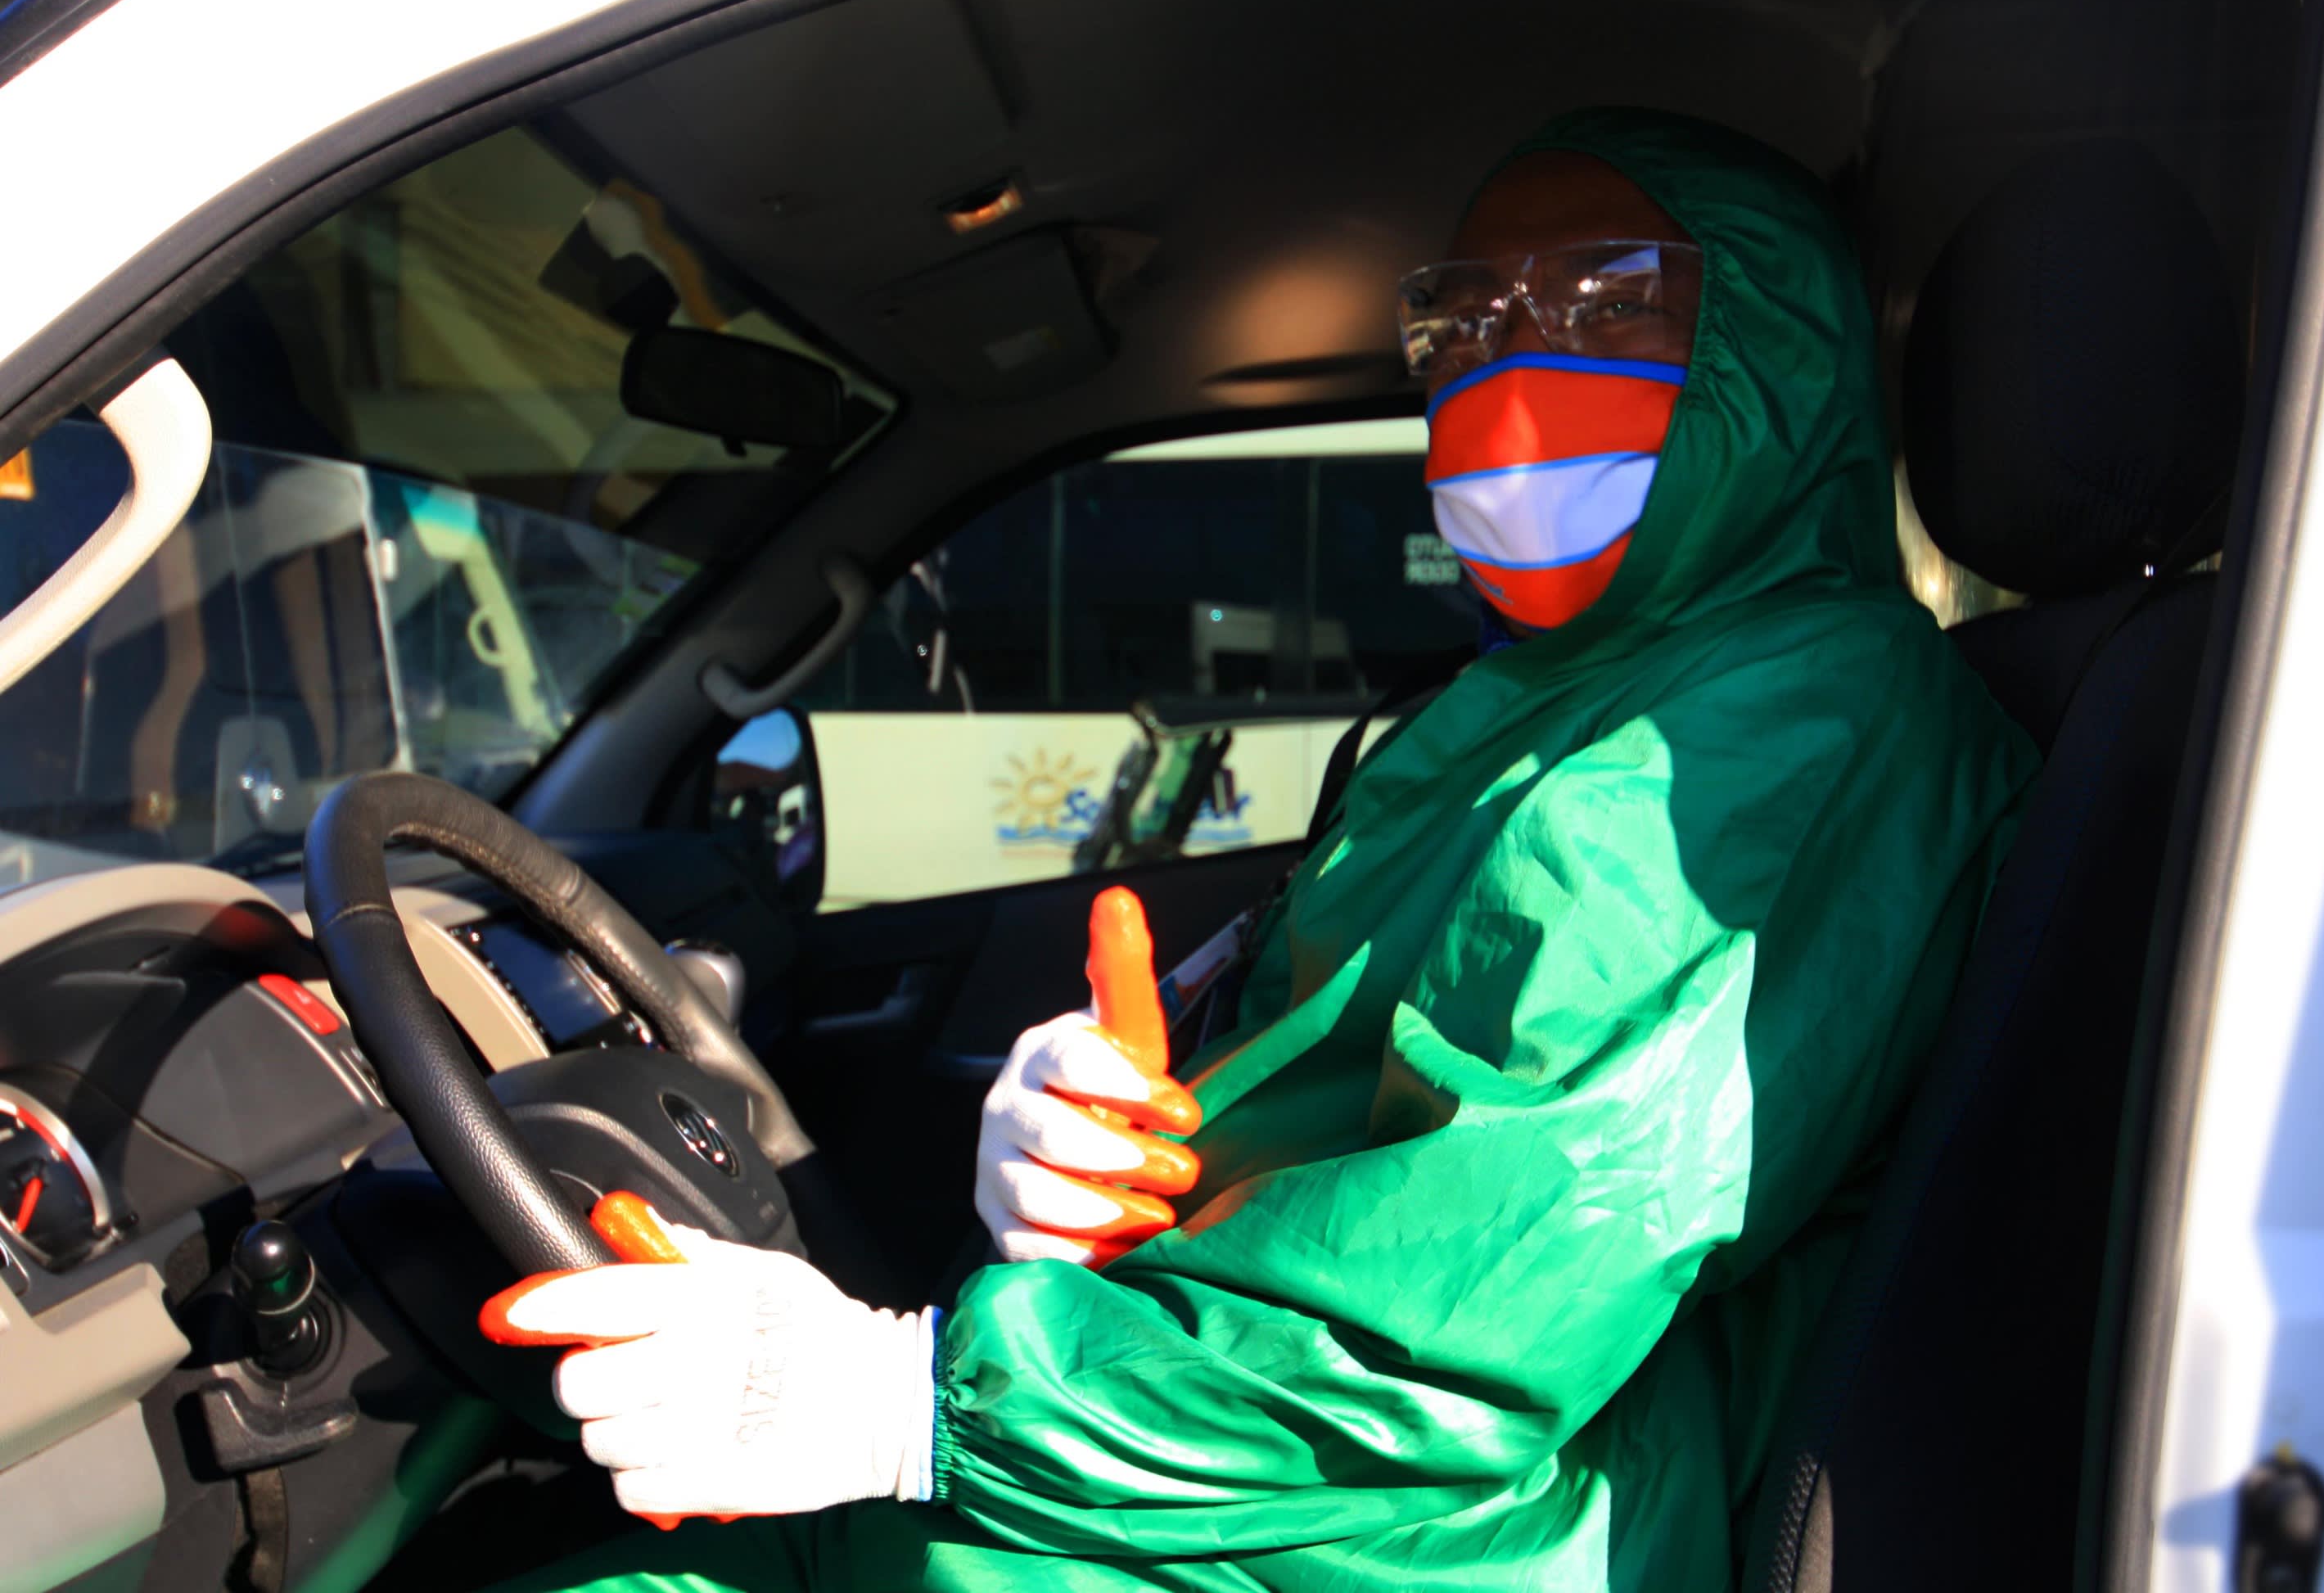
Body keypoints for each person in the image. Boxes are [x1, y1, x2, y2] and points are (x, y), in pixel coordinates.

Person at [490, 108, 2037, 1592]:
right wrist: (1120, 1145)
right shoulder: (1531, 702)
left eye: (1601, 301)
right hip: (1200, 1492)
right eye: (1466, 318)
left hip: (1411, 1544)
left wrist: (913, 1399)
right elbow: (1359, 1112)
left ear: (1774, 352)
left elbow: (1452, 1329)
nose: (1509, 359)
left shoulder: (1798, 721)